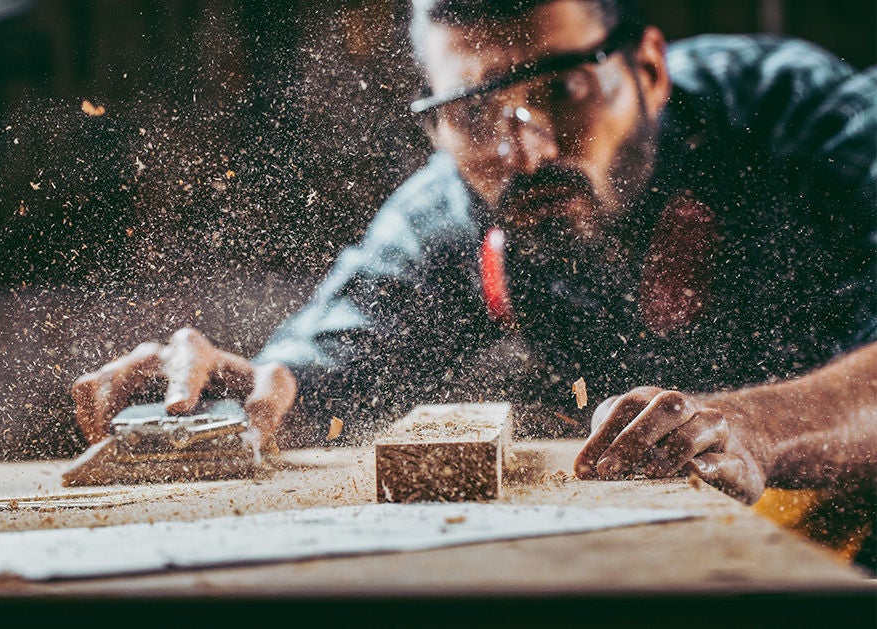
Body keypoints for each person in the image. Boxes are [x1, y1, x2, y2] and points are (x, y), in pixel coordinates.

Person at [73, 0, 875, 522]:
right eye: (471, 110)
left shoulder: (797, 116)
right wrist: (244, 394)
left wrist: (754, 427)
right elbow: (313, 371)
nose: (523, 149)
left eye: (561, 90)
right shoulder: (452, 208)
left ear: (649, 67)